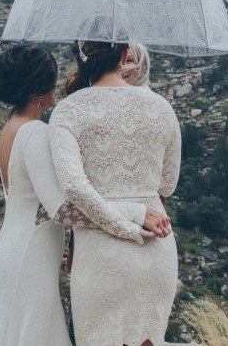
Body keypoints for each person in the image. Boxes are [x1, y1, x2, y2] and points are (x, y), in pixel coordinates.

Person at [0, 45, 169, 345]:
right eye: (52, 79)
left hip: (9, 251)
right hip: (30, 259)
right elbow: (64, 209)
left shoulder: (11, 129)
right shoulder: (35, 133)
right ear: (39, 89)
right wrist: (134, 214)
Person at [49, 40, 181, 346]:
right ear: (124, 56)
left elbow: (73, 186)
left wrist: (123, 226)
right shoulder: (161, 107)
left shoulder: (69, 110)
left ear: (81, 60)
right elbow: (168, 184)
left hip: (100, 250)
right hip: (157, 245)